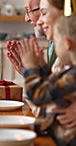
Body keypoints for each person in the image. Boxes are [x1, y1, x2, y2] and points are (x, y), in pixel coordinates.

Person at [19, 14, 76, 145]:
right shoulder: (69, 72)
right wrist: (42, 66)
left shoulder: (72, 76)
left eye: (56, 41)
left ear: (67, 44)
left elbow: (39, 96)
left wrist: (31, 68)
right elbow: (52, 88)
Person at [6, 0, 54, 75]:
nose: (26, 18)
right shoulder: (53, 41)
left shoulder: (67, 43)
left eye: (29, 10)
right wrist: (27, 71)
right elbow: (53, 85)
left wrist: (32, 73)